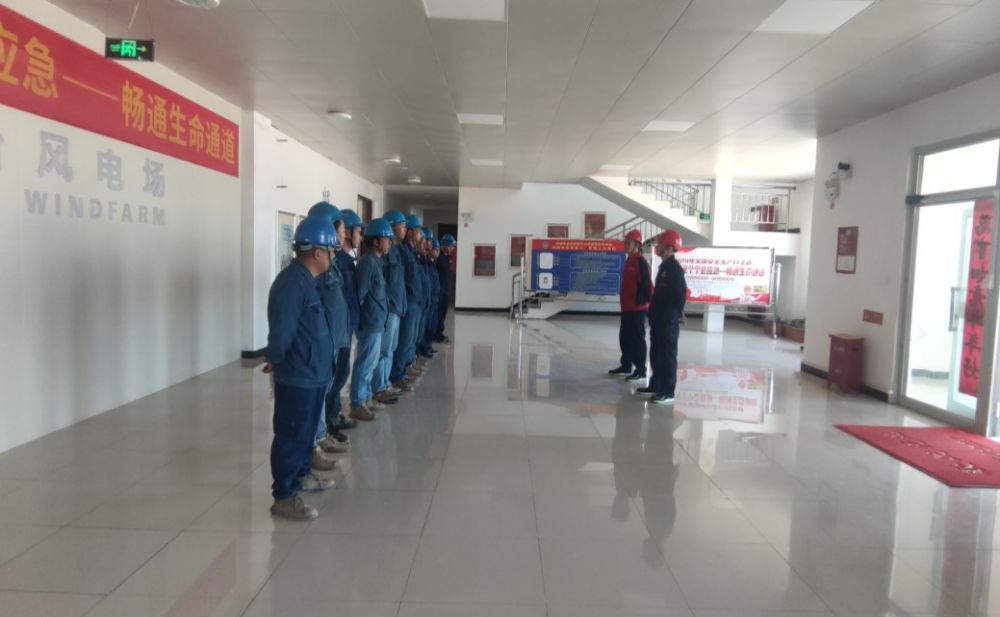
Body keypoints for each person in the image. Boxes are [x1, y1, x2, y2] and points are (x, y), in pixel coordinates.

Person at [264, 215, 338, 521]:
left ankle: (302, 475)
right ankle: (284, 496)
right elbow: (282, 331)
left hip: (312, 373)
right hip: (298, 375)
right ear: (318, 253)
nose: (334, 255)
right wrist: (275, 358)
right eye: (331, 250)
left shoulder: (308, 280)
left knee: (305, 433)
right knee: (292, 434)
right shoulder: (291, 283)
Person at [304, 202, 350, 473]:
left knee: (327, 388)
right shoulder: (314, 272)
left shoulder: (330, 265)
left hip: (334, 336)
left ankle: (321, 434)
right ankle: (315, 441)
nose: (344, 235)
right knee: (318, 392)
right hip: (324, 339)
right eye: (342, 230)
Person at [323, 207, 364, 424]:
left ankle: (334, 415)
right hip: (339, 330)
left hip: (346, 327)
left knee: (341, 374)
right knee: (336, 376)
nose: (360, 237)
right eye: (358, 232)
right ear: (346, 232)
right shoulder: (337, 262)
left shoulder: (346, 261)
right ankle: (330, 420)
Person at [350, 219, 392, 420]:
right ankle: (357, 403)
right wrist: (361, 322)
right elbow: (360, 294)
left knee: (371, 362)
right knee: (365, 363)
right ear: (375, 241)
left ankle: (365, 398)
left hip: (377, 321)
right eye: (386, 238)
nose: (389, 242)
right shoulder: (367, 263)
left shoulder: (376, 262)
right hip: (369, 322)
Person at [639, 229, 687, 405]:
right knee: (656, 354)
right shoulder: (664, 267)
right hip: (658, 320)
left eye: (659, 245)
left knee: (667, 356)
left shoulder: (674, 269)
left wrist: (676, 315)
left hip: (667, 321)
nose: (656, 247)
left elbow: (680, 296)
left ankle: (668, 391)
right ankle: (656, 385)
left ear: (669, 248)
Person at [609, 229, 652, 382]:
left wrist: (642, 303)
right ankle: (626, 365)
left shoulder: (640, 262)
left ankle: (641, 369)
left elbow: (647, 286)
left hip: (637, 309)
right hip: (627, 308)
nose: (625, 245)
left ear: (637, 245)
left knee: (637, 340)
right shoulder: (629, 260)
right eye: (625, 242)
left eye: (628, 243)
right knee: (625, 338)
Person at [391, 214, 426, 389]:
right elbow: (401, 280)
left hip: (415, 301)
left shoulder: (412, 252)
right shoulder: (401, 251)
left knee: (411, 338)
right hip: (408, 301)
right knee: (404, 340)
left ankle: (405, 368)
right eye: (417, 230)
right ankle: (397, 374)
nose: (420, 234)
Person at [435, 235, 453, 343]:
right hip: (440, 291)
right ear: (446, 245)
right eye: (451, 246)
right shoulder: (439, 258)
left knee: (443, 314)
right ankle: (437, 335)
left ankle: (439, 333)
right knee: (438, 314)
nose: (452, 249)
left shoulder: (446, 258)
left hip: (446, 290)